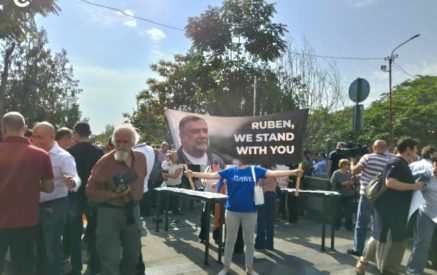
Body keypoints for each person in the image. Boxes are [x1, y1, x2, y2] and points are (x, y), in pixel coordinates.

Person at [185, 164, 303, 275]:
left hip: (250, 213)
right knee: (230, 241)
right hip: (231, 212)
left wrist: (293, 172)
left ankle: (249, 268)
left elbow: (273, 173)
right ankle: (226, 267)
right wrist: (193, 173)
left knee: (249, 242)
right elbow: (211, 175)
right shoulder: (230, 170)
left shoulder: (254, 169)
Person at [356, 137, 425, 275]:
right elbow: (391, 182)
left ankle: (365, 263)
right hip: (391, 209)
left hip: (391, 208)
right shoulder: (397, 163)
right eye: (415, 148)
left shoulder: (399, 162)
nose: (417, 151)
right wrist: (415, 186)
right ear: (408, 150)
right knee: (385, 237)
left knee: (380, 236)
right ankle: (385, 267)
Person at [86, 124, 146, 275]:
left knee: (133, 253)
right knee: (109, 257)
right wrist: (113, 194)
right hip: (109, 213)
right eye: (117, 141)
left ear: (133, 143)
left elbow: (141, 180)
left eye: (125, 142)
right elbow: (90, 191)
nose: (121, 145)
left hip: (133, 211)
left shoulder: (140, 158)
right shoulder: (104, 162)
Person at [0, 112, 54, 275]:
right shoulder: (41, 154)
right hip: (26, 219)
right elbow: (49, 187)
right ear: (25, 128)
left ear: (4, 129)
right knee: (22, 267)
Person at [32, 121, 81, 275]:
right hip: (33, 207)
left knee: (51, 247)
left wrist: (71, 182)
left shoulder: (63, 157)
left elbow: (75, 178)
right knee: (38, 246)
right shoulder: (32, 153)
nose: (36, 140)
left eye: (40, 137)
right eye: (34, 137)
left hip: (54, 208)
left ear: (52, 137)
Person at [66, 121, 104, 275]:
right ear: (89, 133)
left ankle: (76, 268)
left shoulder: (69, 152)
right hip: (92, 195)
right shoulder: (99, 152)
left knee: (75, 233)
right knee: (94, 230)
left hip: (74, 195)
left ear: (76, 133)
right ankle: (95, 264)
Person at [347, 140, 389, 256]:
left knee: (361, 223)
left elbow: (355, 171)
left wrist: (352, 162)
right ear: (385, 149)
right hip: (381, 196)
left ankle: (358, 249)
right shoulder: (389, 160)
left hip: (366, 194)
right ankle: (374, 252)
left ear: (373, 147)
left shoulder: (367, 157)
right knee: (377, 224)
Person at [406, 146, 437, 274]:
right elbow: (413, 187)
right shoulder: (426, 176)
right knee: (422, 242)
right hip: (427, 213)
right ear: (434, 164)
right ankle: (413, 269)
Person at [255, 165, 278, 250]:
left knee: (261, 221)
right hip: (272, 195)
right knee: (270, 220)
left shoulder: (262, 171)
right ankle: (270, 244)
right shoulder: (274, 169)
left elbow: (259, 185)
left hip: (263, 195)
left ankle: (260, 244)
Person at [330, 159, 354, 231]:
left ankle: (349, 226)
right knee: (337, 211)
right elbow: (332, 183)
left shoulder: (349, 173)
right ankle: (336, 226)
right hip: (338, 194)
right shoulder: (336, 173)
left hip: (348, 194)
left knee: (349, 211)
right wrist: (342, 184)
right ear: (342, 165)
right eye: (347, 164)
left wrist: (351, 183)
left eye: (348, 164)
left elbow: (352, 183)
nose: (348, 166)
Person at [162, 150, 185, 215]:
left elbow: (175, 176)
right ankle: (169, 211)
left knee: (176, 200)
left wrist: (166, 175)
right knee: (168, 200)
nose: (175, 156)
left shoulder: (181, 164)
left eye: (176, 155)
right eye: (174, 155)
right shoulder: (167, 162)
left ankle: (176, 212)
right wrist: (165, 176)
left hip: (177, 184)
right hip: (168, 184)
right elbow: (163, 173)